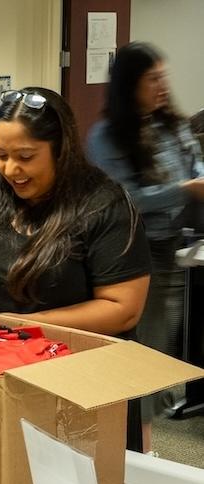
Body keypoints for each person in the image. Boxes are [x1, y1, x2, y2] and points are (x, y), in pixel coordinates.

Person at [0, 87, 151, 447]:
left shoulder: (103, 205)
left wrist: (20, 326)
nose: (11, 169)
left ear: (61, 149)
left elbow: (122, 309)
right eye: (1, 155)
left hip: (81, 379)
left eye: (26, 156)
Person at [86, 42, 204, 450]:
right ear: (129, 84)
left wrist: (196, 179)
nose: (163, 86)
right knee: (135, 353)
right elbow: (127, 198)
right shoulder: (106, 137)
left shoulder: (172, 125)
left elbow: (193, 163)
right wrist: (186, 190)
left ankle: (140, 441)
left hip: (170, 250)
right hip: (130, 256)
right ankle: (137, 447)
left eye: (164, 77)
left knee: (154, 350)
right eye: (153, 78)